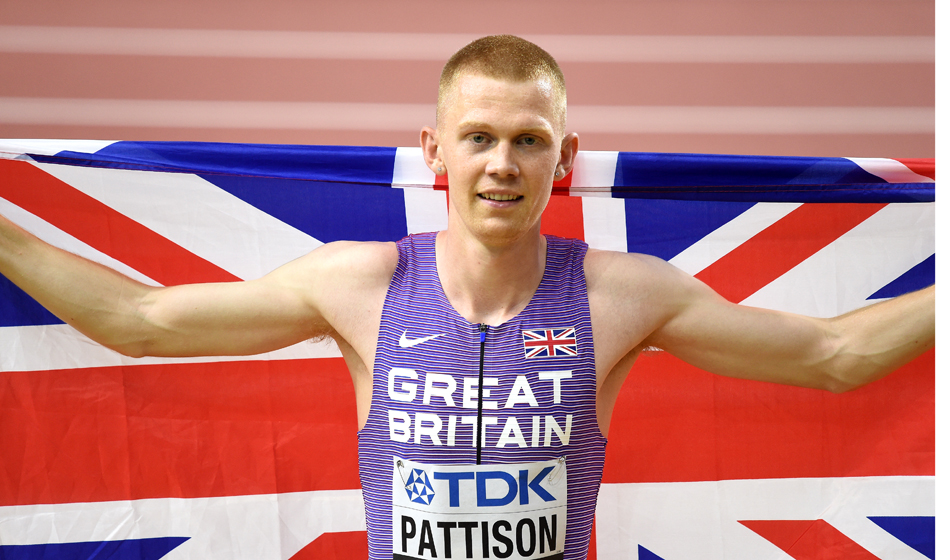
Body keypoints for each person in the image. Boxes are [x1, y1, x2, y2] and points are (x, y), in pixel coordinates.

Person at [0, 35, 934, 560]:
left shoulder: (622, 296)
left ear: (563, 160)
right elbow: (140, 322)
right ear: (435, 153)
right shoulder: (358, 283)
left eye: (530, 140)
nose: (502, 163)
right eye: (478, 137)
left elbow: (833, 358)